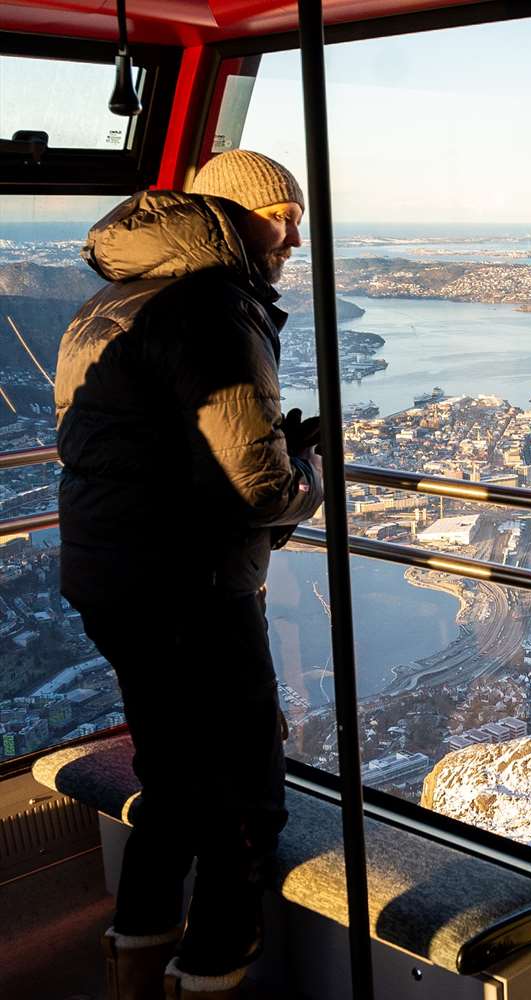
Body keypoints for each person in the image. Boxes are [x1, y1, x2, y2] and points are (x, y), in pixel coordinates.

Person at [55, 149, 323, 1000]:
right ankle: (209, 972)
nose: (293, 237)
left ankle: (135, 967)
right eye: (280, 216)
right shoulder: (212, 305)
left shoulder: (111, 300)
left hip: (114, 579)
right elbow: (258, 487)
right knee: (247, 798)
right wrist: (309, 473)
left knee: (172, 784)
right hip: (191, 589)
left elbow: (152, 446)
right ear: (229, 218)